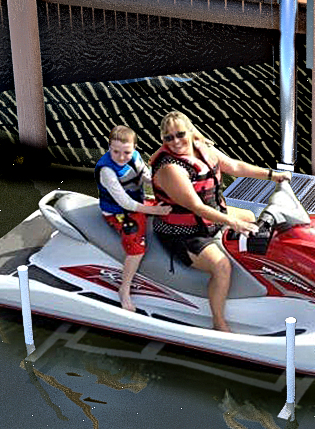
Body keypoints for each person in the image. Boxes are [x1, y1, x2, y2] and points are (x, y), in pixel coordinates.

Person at [150, 111, 291, 332]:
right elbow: (197, 207)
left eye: (180, 134)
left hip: (210, 217)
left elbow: (234, 167)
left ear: (190, 132)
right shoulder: (170, 169)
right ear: (163, 141)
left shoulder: (203, 148)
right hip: (182, 231)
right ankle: (219, 322)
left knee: (250, 217)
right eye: (168, 138)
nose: (176, 142)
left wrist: (273, 175)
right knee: (221, 266)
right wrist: (233, 223)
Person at [96, 125, 171, 312]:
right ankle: (124, 289)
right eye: (116, 152)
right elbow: (125, 202)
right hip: (118, 212)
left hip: (138, 202)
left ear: (135, 148)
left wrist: (169, 182)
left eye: (126, 152)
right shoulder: (107, 170)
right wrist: (154, 211)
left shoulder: (135, 158)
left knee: (175, 208)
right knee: (136, 248)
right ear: (108, 148)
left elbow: (147, 177)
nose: (121, 157)